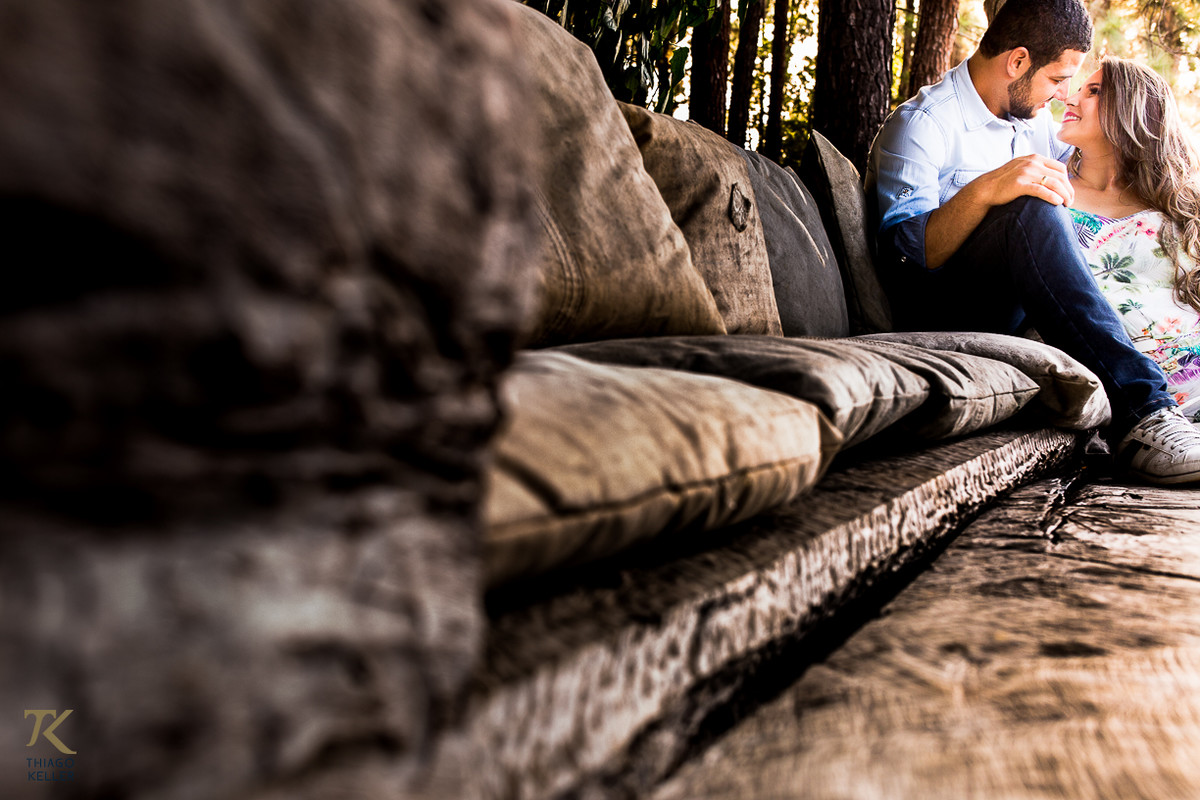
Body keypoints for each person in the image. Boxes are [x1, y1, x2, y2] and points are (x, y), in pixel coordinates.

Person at [865, 0, 1200, 485]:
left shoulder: (1034, 118)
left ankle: (1162, 406)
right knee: (1030, 205)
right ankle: (1143, 413)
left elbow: (1105, 158)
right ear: (1018, 61)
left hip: (1020, 309)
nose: (1065, 94)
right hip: (942, 305)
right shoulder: (922, 125)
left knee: (1039, 204)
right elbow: (905, 258)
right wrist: (986, 189)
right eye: (1058, 79)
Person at [1058, 57, 1200, 421]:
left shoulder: (1180, 201)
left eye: (1093, 91)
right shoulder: (1049, 196)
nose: (1070, 99)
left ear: (1131, 108)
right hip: (1138, 400)